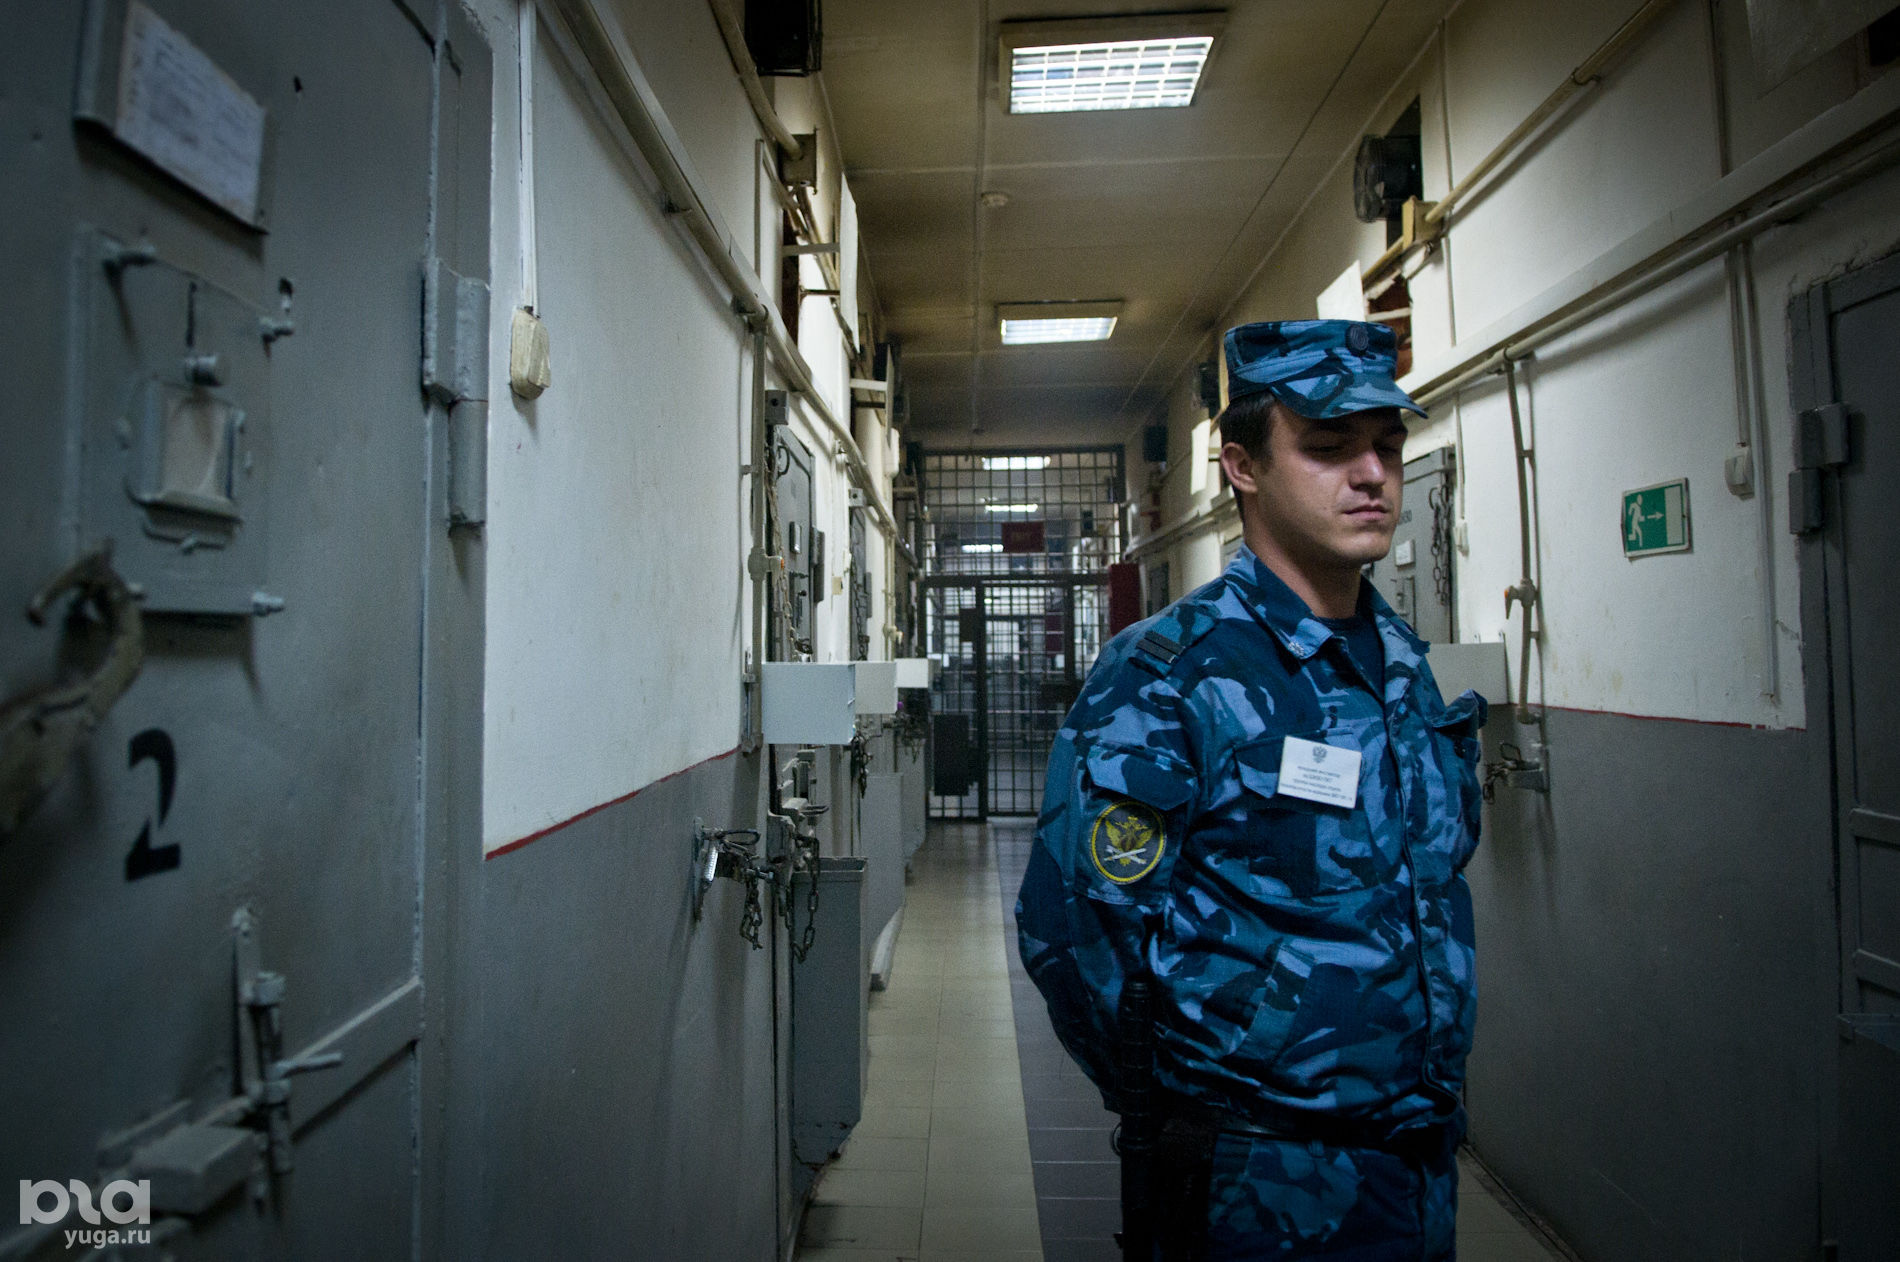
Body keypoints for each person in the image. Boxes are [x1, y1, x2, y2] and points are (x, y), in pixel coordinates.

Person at [1016, 319, 1487, 1260]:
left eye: (1388, 446)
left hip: (1416, 1162)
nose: (1373, 474)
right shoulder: (1169, 674)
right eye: (1329, 447)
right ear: (1242, 467)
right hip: (1251, 1179)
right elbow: (1075, 934)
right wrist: (1188, 1106)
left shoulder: (1403, 667)